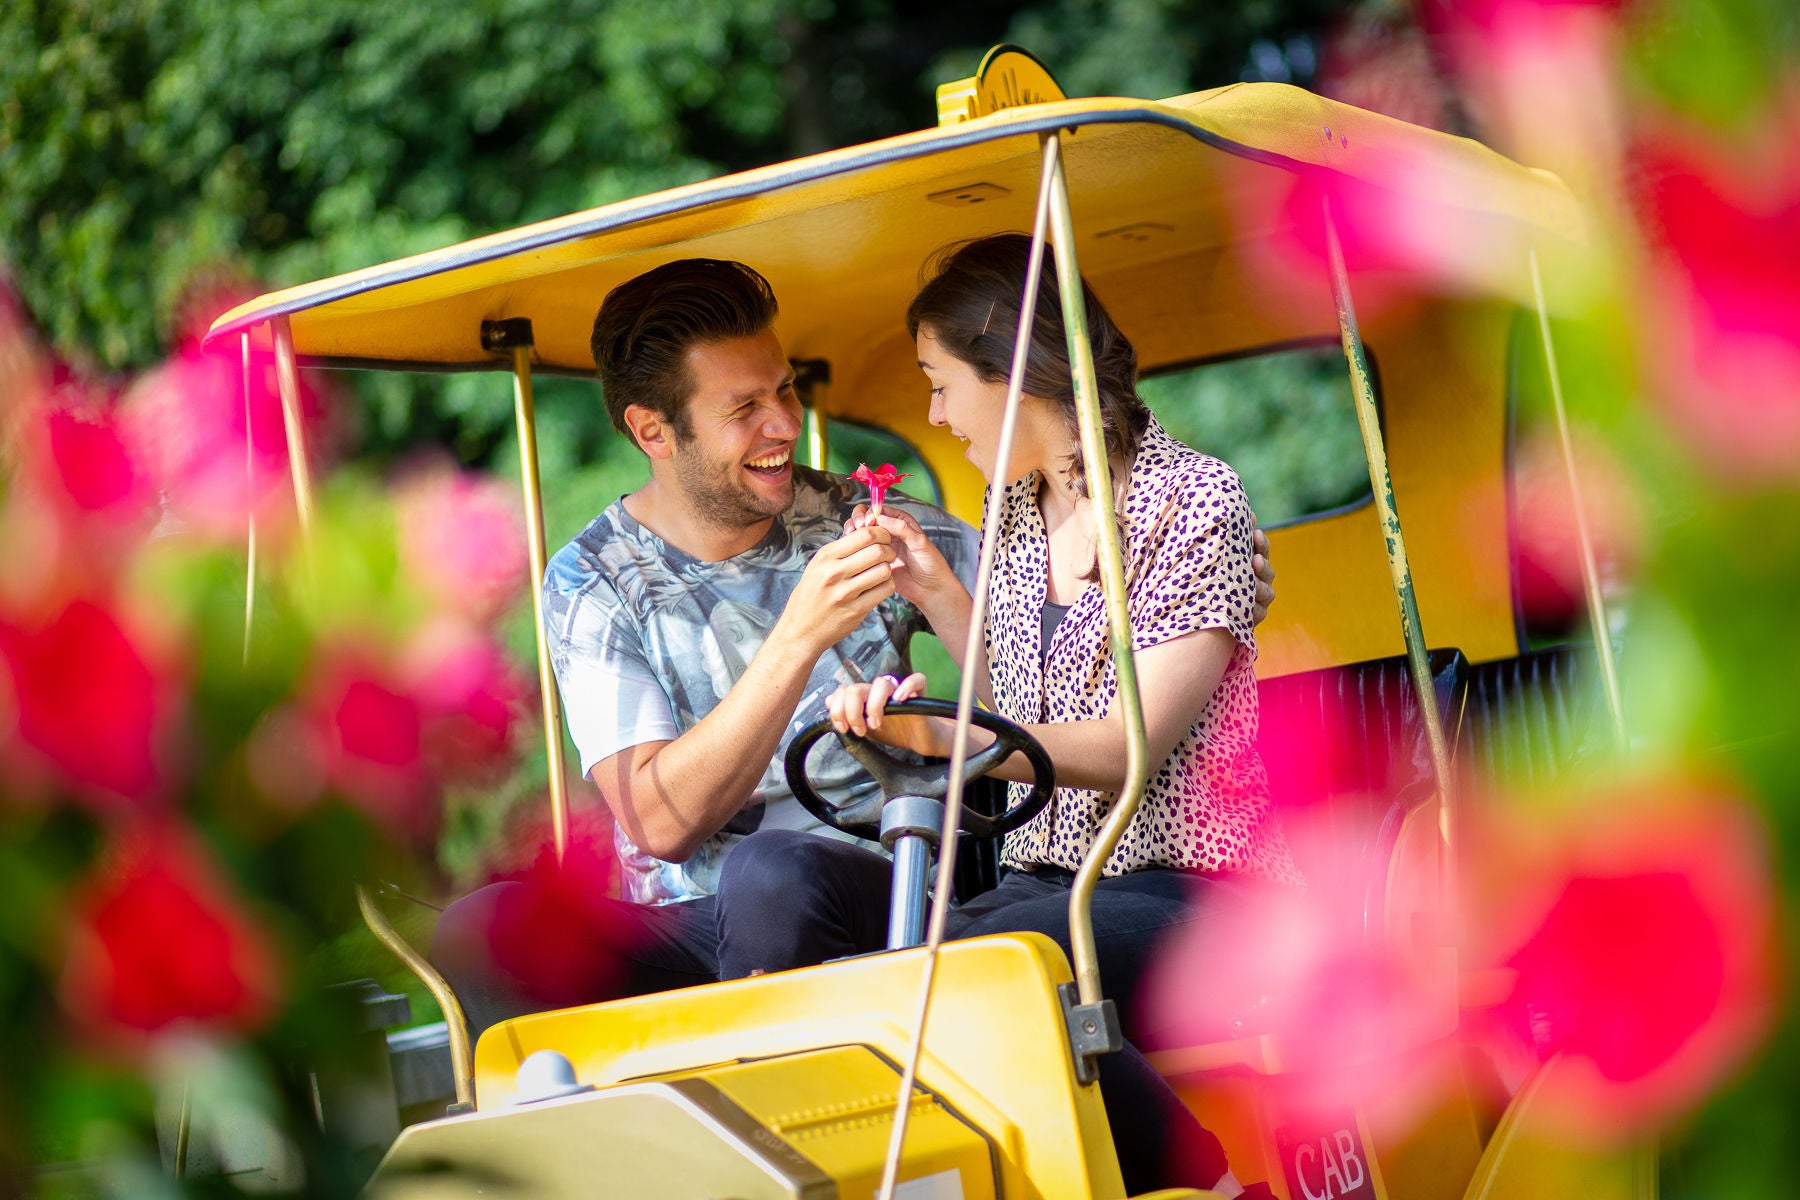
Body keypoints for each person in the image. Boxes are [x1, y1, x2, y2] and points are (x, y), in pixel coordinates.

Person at [428, 252, 1277, 1195]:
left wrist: (1208, 582)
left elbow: (1051, 664)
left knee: (784, 879)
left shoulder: (875, 515)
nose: (783, 426)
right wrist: (796, 643)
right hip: (698, 925)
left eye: (784, 392)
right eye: (744, 408)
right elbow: (658, 823)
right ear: (652, 431)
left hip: (858, 895)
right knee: (480, 928)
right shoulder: (593, 582)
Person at [716, 231, 1303, 1057]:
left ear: (1011, 368)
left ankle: (1209, 1178)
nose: (936, 414)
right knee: (779, 877)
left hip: (1196, 896)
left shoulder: (1195, 500)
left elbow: (1121, 749)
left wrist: (936, 735)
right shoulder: (1015, 507)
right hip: (1041, 887)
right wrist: (939, 598)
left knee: (972, 967)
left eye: (941, 384)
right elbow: (1021, 709)